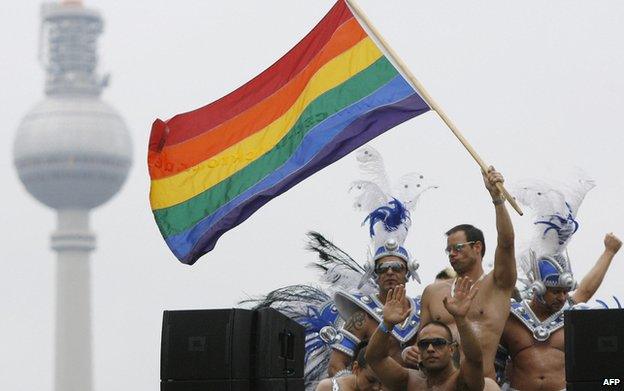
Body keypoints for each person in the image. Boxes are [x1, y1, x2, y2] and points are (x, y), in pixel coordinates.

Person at [417, 167, 516, 380]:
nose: (451, 254)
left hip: (480, 384)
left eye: (458, 248)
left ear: (477, 247)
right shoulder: (433, 292)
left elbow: (506, 243)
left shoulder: (497, 284)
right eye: (448, 250)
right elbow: (421, 342)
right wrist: (410, 352)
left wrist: (497, 200)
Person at [499, 233, 621, 390]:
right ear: (538, 288)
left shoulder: (570, 316)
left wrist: (609, 252)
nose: (562, 297)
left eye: (565, 291)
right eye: (556, 291)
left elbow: (586, 290)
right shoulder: (512, 316)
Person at [366, 279, 500, 390]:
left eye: (438, 343)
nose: (430, 349)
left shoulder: (463, 382)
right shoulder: (408, 382)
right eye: (424, 344)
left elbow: (474, 358)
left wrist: (461, 319)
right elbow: (374, 358)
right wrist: (387, 324)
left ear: (451, 349)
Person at [316, 343, 384, 391]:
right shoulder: (328, 387)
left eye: (381, 383)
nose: (376, 388)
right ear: (356, 368)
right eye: (370, 380)